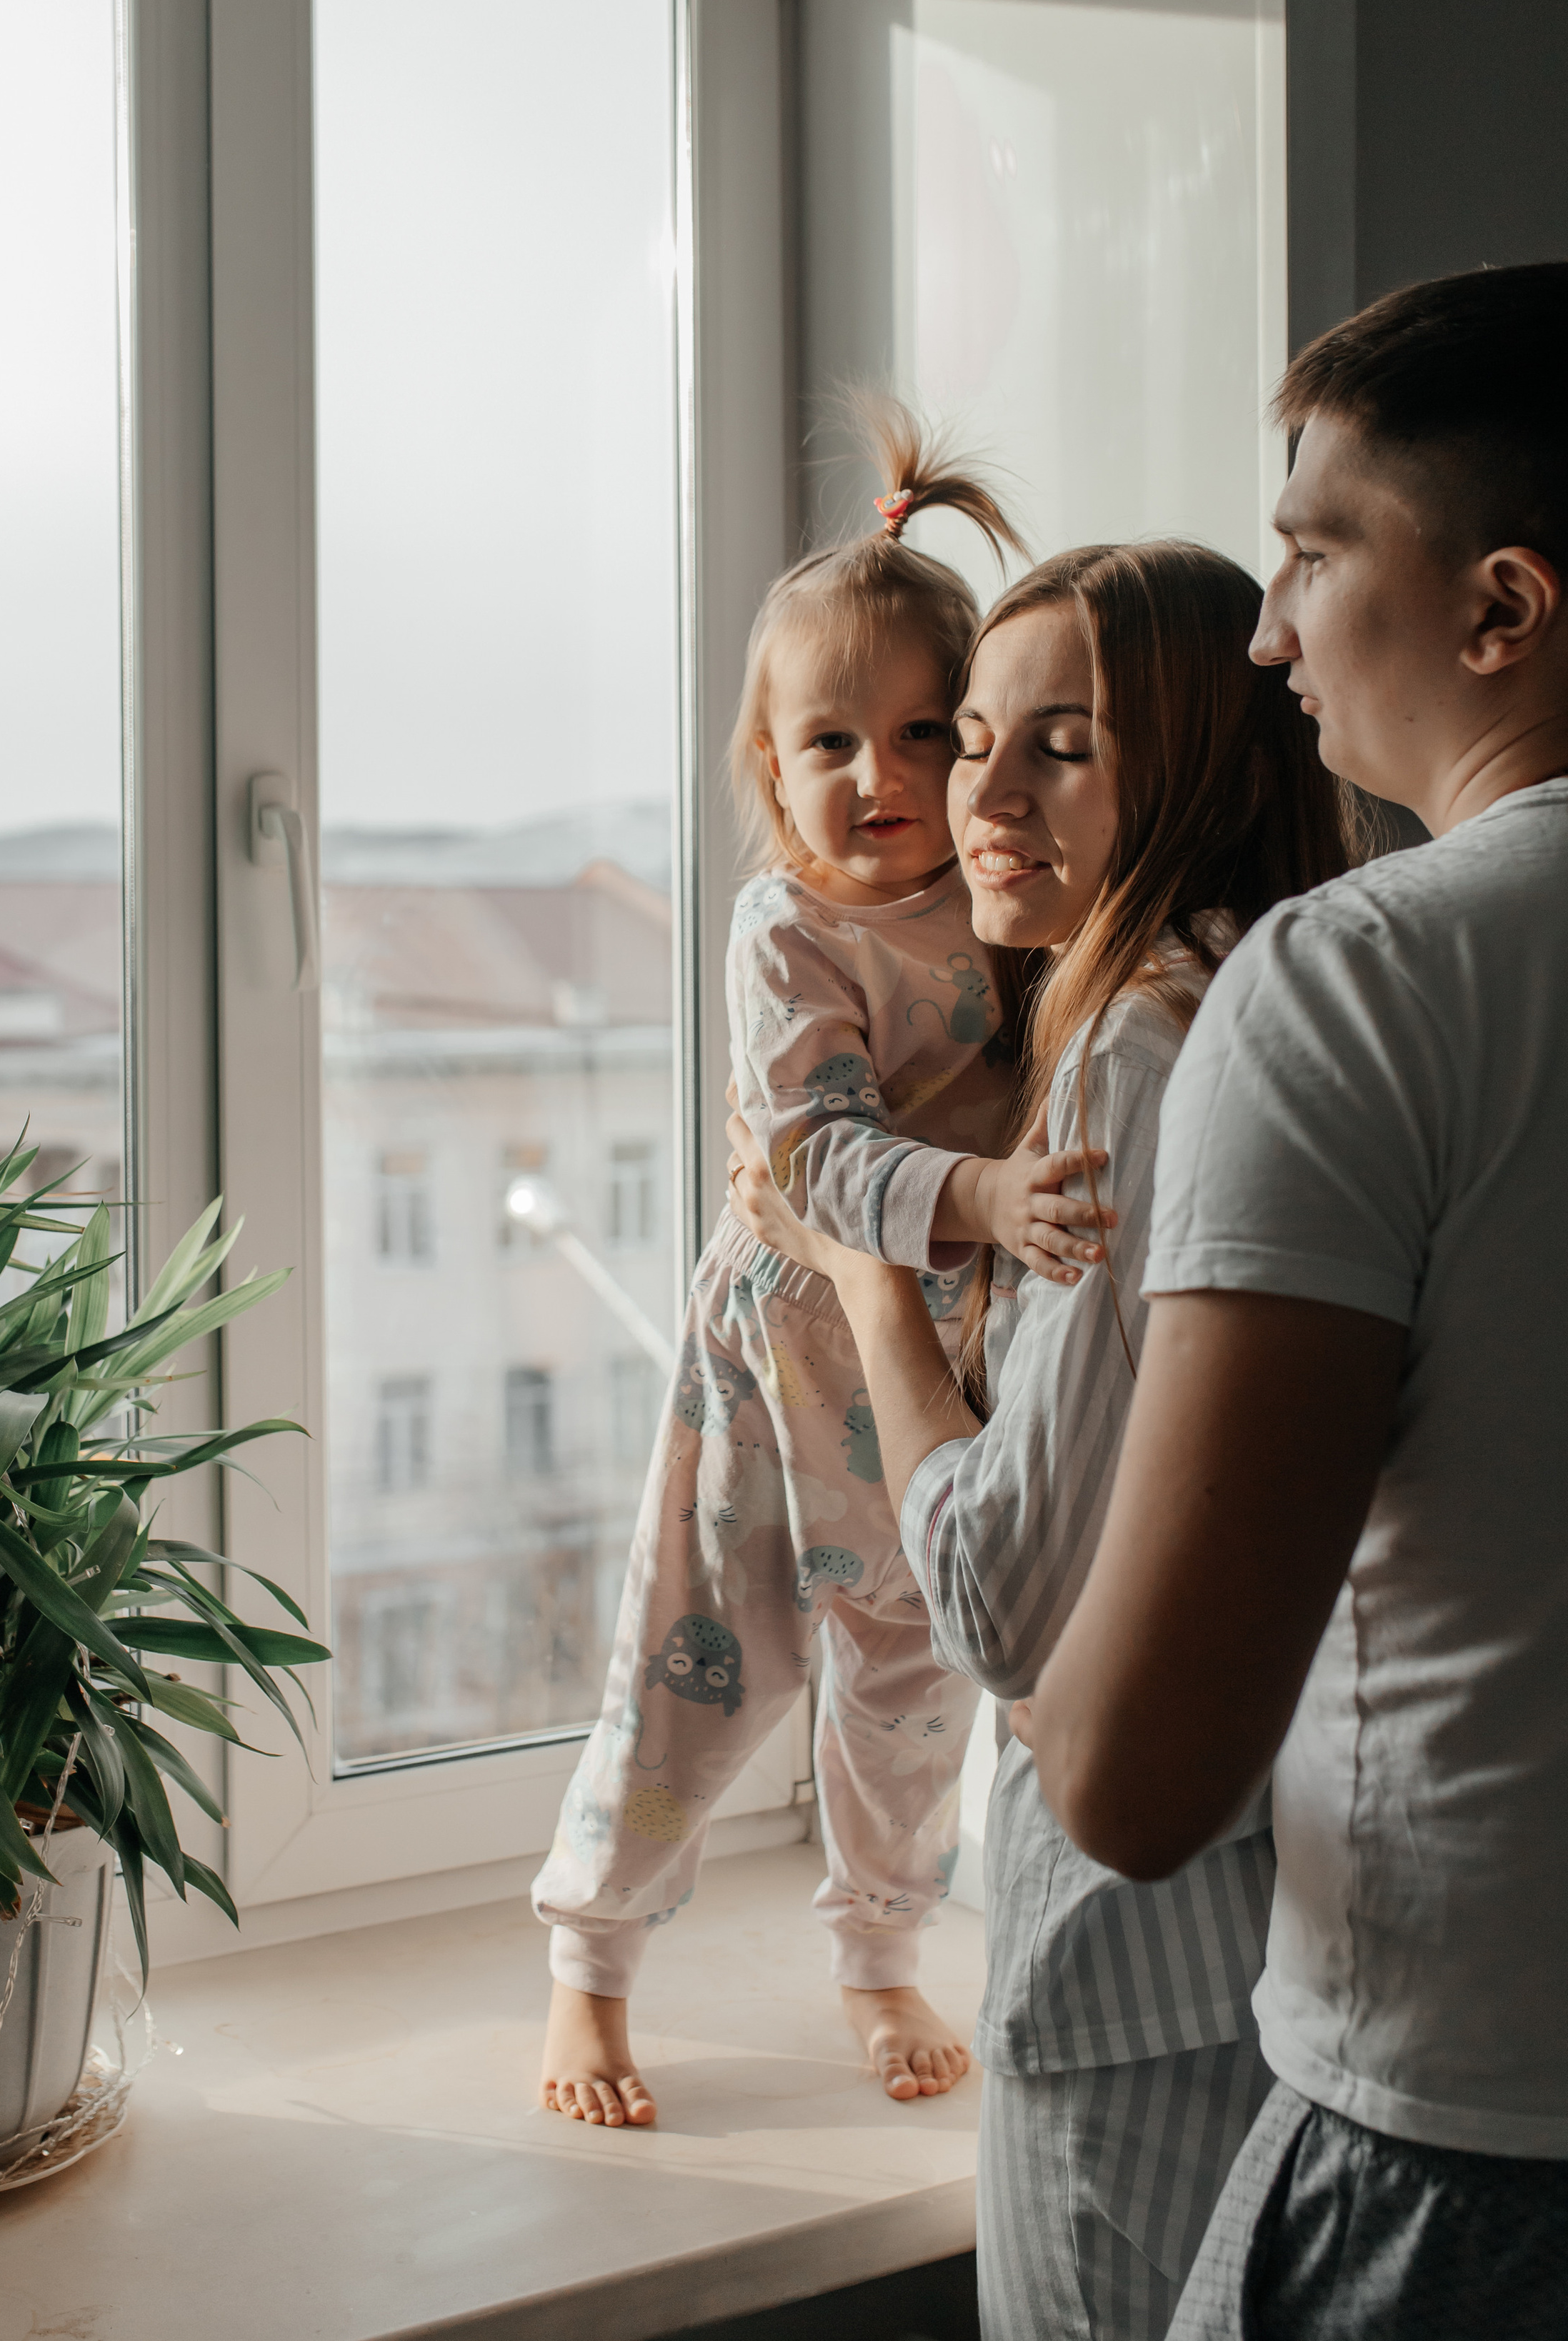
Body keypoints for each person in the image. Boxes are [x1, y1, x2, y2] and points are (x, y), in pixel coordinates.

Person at [1017, 263, 1568, 2337]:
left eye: (1315, 555)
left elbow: (1135, 1778)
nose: (1270, 632)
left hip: (1468, 2149)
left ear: (1500, 608)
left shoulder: (1364, 979)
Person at [724, 536, 1350, 2337]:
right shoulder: (1243, 991)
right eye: (973, 736)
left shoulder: (1132, 1050)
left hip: (1131, 1958)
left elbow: (1001, 1597)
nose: (972, 798)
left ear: (1202, 768)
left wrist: (856, 1267)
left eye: (1055, 748)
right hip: (1243, 1920)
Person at [535, 409, 1112, 2129]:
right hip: (783, 1345)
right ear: (769, 766)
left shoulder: (1007, 903)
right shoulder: (784, 925)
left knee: (911, 1680)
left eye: (924, 732)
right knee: (696, 1656)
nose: (880, 776)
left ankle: (876, 1951)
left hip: (933, 1352)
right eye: (830, 740)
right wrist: (984, 1193)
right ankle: (589, 1959)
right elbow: (808, 1152)